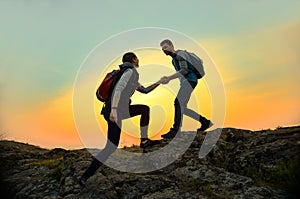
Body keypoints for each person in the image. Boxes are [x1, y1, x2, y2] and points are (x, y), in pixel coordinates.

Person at [78, 52, 161, 187]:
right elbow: (118, 90)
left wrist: (159, 82)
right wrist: (114, 111)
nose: (138, 60)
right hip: (115, 111)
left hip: (119, 110)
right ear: (133, 60)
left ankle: (144, 140)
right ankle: (85, 177)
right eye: (137, 58)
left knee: (144, 109)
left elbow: (145, 90)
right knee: (111, 147)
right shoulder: (129, 72)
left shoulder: (127, 74)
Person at [159, 39, 213, 139]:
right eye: (162, 49)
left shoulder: (180, 55)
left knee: (177, 103)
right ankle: (205, 122)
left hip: (190, 80)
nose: (164, 50)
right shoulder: (174, 59)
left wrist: (169, 78)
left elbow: (184, 70)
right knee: (182, 107)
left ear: (171, 46)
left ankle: (176, 131)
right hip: (187, 82)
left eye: (165, 47)